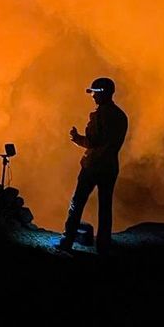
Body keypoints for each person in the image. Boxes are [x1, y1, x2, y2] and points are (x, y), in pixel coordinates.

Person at [56, 77, 128, 255]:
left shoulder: (99, 115)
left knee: (77, 202)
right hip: (111, 166)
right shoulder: (120, 115)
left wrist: (76, 138)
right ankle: (104, 244)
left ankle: (68, 239)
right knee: (105, 206)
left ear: (103, 93)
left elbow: (93, 141)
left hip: (93, 166)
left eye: (95, 93)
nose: (93, 97)